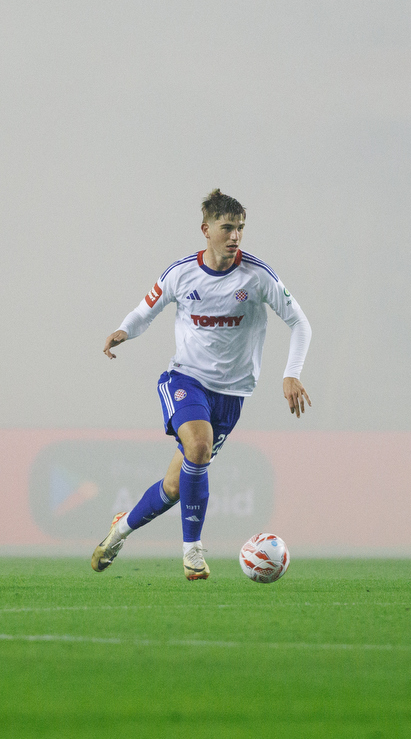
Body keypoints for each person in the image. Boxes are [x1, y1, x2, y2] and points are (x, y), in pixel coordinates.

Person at [91, 189, 311, 580]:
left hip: (232, 395)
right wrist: (124, 330)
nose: (235, 236)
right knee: (199, 445)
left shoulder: (258, 277)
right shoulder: (181, 274)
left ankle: (121, 528)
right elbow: (146, 310)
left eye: (240, 228)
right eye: (227, 228)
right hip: (185, 379)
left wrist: (290, 372)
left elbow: (300, 323)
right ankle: (192, 552)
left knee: (175, 486)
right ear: (206, 229)